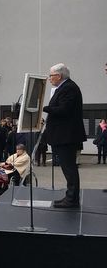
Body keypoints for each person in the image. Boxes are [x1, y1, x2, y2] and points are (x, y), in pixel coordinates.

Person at [43, 63, 86, 208]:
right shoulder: (65, 87)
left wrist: (45, 108)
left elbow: (64, 110)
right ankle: (70, 196)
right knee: (68, 168)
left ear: (59, 76)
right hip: (64, 136)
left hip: (66, 136)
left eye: (51, 76)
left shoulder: (68, 88)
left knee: (69, 168)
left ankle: (72, 199)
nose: (49, 79)